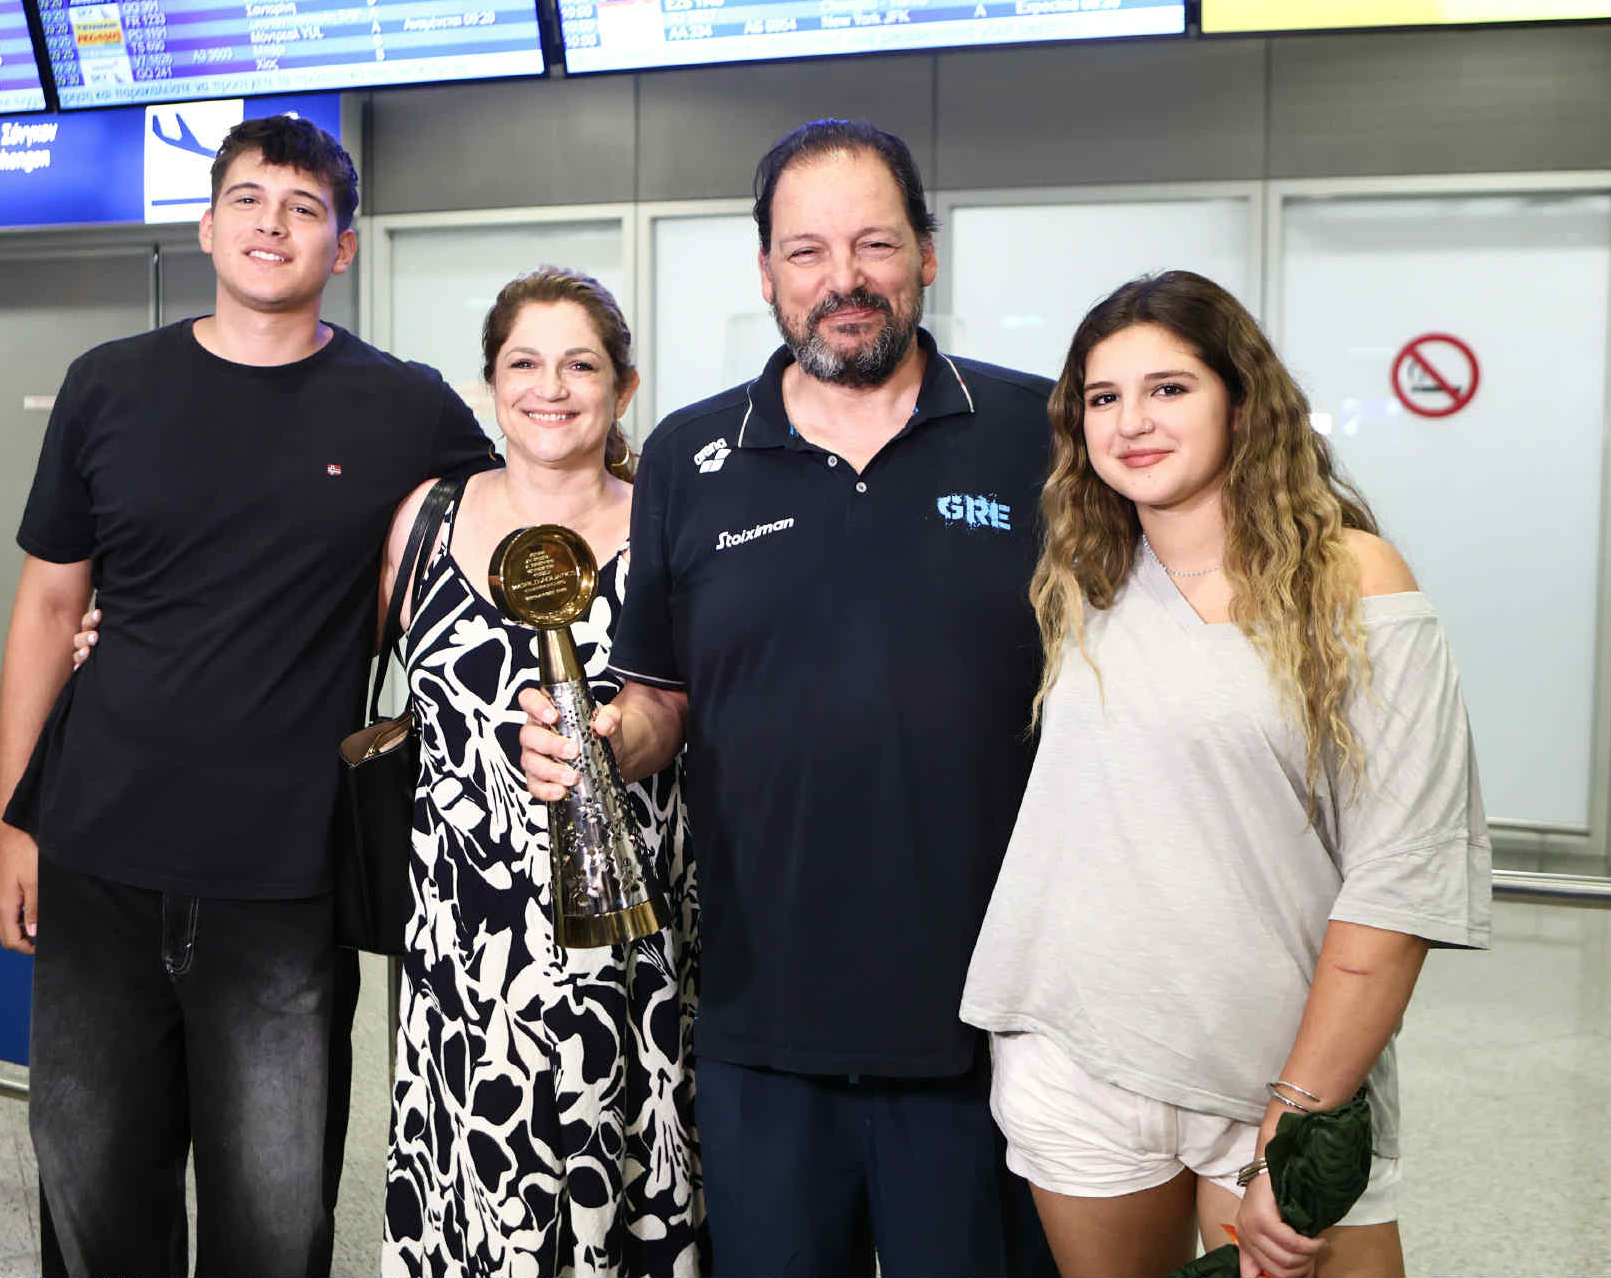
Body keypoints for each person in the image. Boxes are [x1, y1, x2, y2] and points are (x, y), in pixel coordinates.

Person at [72, 268, 706, 1277]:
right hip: (461, 949)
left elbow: (693, 698)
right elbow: (298, 632)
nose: (550, 388)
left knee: (614, 1199)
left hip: (627, 943)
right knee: (471, 1196)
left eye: (580, 365)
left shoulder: (671, 527)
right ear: (490, 383)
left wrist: (622, 737)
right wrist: (132, 632)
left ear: (623, 387)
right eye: (524, 363)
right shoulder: (424, 523)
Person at [520, 119, 1055, 1276]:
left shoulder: (1039, 435)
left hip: (994, 1016)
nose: (841, 279)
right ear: (765, 272)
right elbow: (659, 696)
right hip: (762, 1018)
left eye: (874, 244)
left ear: (926, 252)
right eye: (805, 252)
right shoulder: (688, 455)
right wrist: (601, 742)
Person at [0, 115, 494, 1276]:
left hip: (285, 881)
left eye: (304, 208)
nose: (273, 224)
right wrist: (16, 823)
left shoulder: (404, 408)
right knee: (94, 1204)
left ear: (343, 248)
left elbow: (517, 518)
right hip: (98, 854)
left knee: (273, 1221)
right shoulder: (107, 384)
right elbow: (50, 609)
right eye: (249, 201)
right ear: (207, 228)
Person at [959, 271, 1492, 1278]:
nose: (1131, 421)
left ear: (1242, 403)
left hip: (1280, 1065)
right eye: (1103, 397)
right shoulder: (1082, 578)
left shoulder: (1352, 581)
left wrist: (1297, 1118)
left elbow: (1402, 875)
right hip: (1080, 1056)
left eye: (1168, 388)